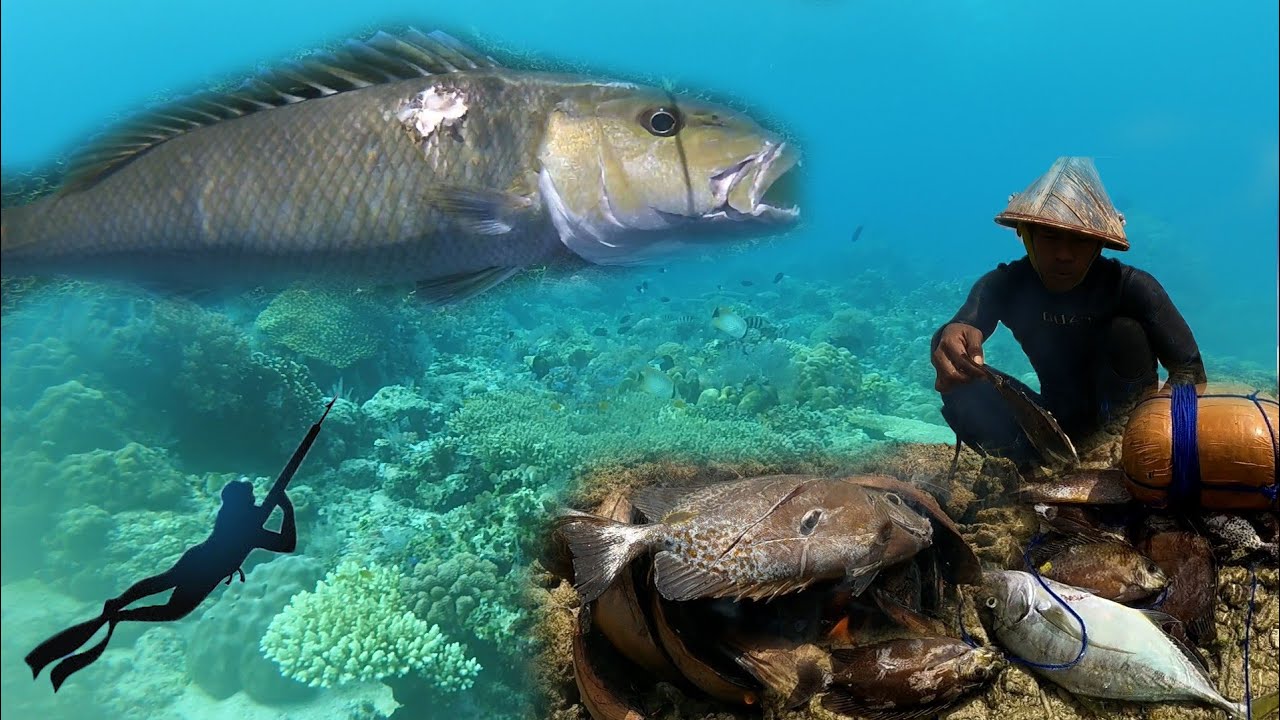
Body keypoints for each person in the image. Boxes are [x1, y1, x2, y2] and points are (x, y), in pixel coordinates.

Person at [25, 395, 336, 692]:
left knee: (164, 582)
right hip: (207, 572)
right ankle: (120, 614)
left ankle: (118, 606)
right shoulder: (249, 525)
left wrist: (266, 506)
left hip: (197, 559)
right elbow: (287, 544)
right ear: (245, 503)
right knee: (172, 610)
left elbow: (247, 505)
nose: (256, 497)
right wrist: (286, 508)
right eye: (251, 496)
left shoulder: (231, 514)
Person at [930, 156, 1206, 468]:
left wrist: (1155, 431)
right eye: (1049, 236)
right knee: (961, 374)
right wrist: (948, 339)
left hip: (1128, 437)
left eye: (1080, 240)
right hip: (1051, 426)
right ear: (1025, 233)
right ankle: (1020, 469)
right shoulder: (1006, 285)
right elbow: (962, 327)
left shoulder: (1132, 287)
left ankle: (1118, 457)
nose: (1064, 255)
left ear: (1099, 244)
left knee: (1125, 331)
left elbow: (1190, 371)